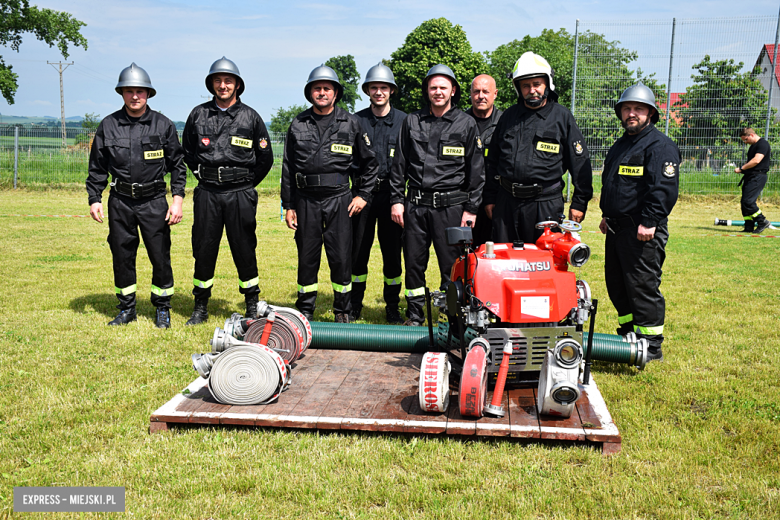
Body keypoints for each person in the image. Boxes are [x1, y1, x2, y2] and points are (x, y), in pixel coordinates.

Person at [86, 63, 186, 328]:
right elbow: (97, 165)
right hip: (120, 201)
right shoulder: (108, 125)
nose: (134, 96)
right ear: (121, 93)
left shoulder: (163, 125)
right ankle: (126, 308)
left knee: (159, 255)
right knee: (122, 255)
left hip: (154, 201)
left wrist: (177, 200)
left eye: (140, 91)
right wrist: (95, 198)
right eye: (129, 91)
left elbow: (178, 164)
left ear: (148, 94)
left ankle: (162, 308)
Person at [281, 64, 379, 323]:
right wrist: (288, 205)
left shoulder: (351, 123)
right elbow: (288, 167)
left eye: (327, 88)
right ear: (309, 92)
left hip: (339, 200)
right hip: (305, 200)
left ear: (336, 93)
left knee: (340, 256)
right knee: (307, 255)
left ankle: (343, 310)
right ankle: (305, 309)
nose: (322, 92)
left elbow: (370, 164)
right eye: (317, 88)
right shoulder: (298, 123)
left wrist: (363, 195)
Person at [389, 64, 484, 326]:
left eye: (443, 87)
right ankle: (415, 315)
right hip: (415, 207)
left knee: (451, 267)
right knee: (414, 264)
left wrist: (472, 209)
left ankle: (451, 317)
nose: (438, 92)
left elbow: (476, 171)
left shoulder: (467, 124)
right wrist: (397, 201)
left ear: (453, 90)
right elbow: (399, 165)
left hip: (451, 209)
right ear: (427, 91)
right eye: (433, 87)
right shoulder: (411, 121)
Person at [182, 57, 274, 325]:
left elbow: (265, 159)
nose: (223, 85)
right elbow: (188, 152)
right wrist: (204, 175)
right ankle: (200, 306)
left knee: (244, 247)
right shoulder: (198, 114)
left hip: (241, 193)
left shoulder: (251, 117)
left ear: (237, 85)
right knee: (204, 247)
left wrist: (244, 182)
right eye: (218, 81)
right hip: (207, 193)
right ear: (211, 84)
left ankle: (251, 303)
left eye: (228, 81)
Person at [599, 82, 680, 364]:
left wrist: (649, 221)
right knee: (618, 284)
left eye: (638, 109)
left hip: (642, 230)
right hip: (617, 229)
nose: (631, 113)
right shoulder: (622, 144)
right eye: (627, 108)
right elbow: (614, 183)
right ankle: (629, 334)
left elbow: (663, 189)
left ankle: (651, 345)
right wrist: (606, 215)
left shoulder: (660, 146)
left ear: (651, 113)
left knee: (642, 285)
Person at [484, 52, 592, 244]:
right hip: (507, 203)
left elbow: (580, 163)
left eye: (537, 84)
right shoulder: (508, 117)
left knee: (545, 263)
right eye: (526, 85)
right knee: (506, 263)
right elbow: (493, 162)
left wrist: (579, 202)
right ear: (518, 88)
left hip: (546, 205)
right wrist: (491, 198)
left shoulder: (562, 117)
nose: (532, 90)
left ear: (547, 85)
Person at [351, 63, 406, 323]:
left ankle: (392, 306)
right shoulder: (355, 121)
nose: (379, 92)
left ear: (391, 91)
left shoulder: (405, 122)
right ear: (368, 90)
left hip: (392, 197)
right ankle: (354, 305)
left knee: (392, 255)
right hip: (362, 196)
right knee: (358, 253)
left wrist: (400, 200)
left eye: (384, 87)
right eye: (374, 87)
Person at [466, 74, 503, 248]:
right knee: (463, 256)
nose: (481, 96)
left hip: (496, 202)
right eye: (476, 91)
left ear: (495, 94)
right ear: (470, 94)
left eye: (486, 91)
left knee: (493, 254)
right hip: (464, 201)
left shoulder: (506, 123)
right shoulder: (459, 122)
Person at [735, 128, 772, 233]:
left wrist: (742, 168)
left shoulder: (763, 144)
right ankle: (748, 226)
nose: (745, 142)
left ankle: (762, 221)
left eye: (746, 140)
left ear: (751, 135)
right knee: (744, 203)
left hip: (758, 177)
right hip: (750, 176)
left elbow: (756, 160)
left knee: (748, 201)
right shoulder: (752, 147)